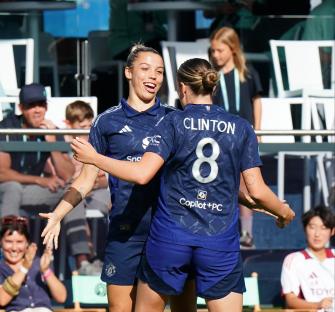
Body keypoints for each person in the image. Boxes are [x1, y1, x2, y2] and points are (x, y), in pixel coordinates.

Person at [60, 58, 294, 312]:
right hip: (218, 239)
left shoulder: (172, 121)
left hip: (171, 237)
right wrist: (282, 212)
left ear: (182, 89)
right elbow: (256, 191)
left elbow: (141, 173)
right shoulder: (241, 128)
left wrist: (94, 158)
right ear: (213, 88)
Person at [40, 44, 197, 312]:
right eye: (145, 69)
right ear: (128, 72)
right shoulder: (106, 122)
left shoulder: (175, 118)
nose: (153, 77)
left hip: (169, 231)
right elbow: (86, 179)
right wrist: (58, 213)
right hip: (126, 231)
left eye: (159, 72)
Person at [0, 83, 97, 274]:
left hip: (29, 192)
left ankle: (82, 262)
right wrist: (40, 180)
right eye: (31, 105)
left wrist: (51, 142)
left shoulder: (51, 130)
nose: (38, 110)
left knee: (72, 193)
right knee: (12, 187)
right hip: (6, 190)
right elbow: (2, 173)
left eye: (41, 104)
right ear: (21, 108)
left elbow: (68, 174)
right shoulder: (6, 127)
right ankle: (6, 261)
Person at [210, 26, 263, 248]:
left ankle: (247, 233)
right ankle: (221, 229)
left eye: (220, 50)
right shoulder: (212, 76)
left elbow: (256, 101)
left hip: (244, 134)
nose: (215, 55)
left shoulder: (247, 73)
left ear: (232, 49)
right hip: (220, 136)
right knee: (219, 180)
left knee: (245, 182)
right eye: (213, 51)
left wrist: (258, 130)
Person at [64, 100, 111, 270]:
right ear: (69, 125)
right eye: (81, 127)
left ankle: (109, 256)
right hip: (77, 190)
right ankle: (83, 260)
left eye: (88, 127)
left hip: (97, 190)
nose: (86, 132)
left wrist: (97, 180)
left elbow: (106, 178)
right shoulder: (62, 144)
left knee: (115, 202)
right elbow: (65, 176)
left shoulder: (97, 141)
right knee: (73, 202)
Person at [0, 215, 67, 311]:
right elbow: (2, 300)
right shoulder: (1, 268)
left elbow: (62, 298)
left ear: (27, 243)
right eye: (9, 241)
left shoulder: (38, 263)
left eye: (19, 242)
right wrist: (24, 268)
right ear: (1, 242)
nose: (14, 248)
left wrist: (46, 270)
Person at [281, 206, 334, 311]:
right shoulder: (293, 260)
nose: (317, 234)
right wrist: (318, 305)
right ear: (305, 229)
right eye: (312, 227)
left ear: (332, 231)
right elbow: (290, 300)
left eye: (323, 228)